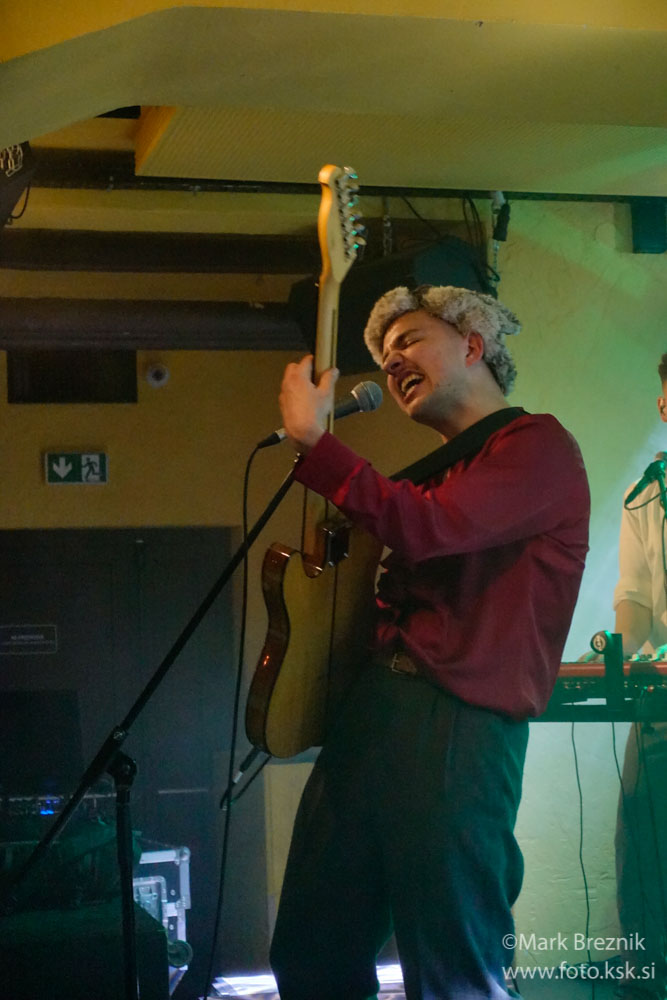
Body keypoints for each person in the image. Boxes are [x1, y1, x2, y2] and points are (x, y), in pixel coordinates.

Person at [269, 284, 590, 1000]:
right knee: (310, 950)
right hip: (376, 710)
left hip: (457, 725)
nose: (391, 362)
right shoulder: (442, 472)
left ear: (473, 345)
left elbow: (429, 528)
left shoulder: (536, 446)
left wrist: (320, 447)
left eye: (409, 340)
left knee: (454, 967)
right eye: (384, 355)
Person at [612, 353, 667, 1000]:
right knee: (644, 842)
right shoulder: (646, 495)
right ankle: (648, 977)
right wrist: (613, 650)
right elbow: (636, 606)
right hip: (664, 702)